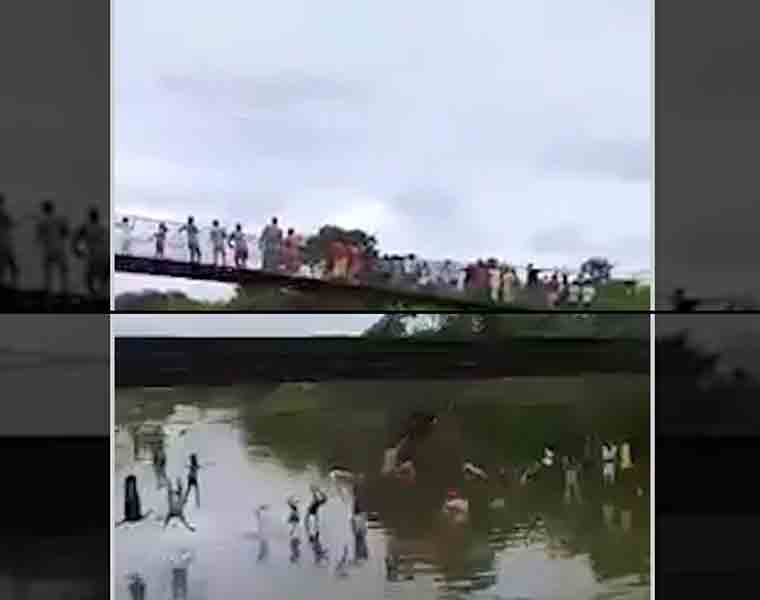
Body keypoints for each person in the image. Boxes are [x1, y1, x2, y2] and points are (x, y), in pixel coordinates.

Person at [35, 200, 70, 295]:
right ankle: (65, 290)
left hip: (48, 250)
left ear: (44, 209)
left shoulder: (41, 221)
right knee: (63, 270)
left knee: (48, 272)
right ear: (52, 208)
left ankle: (48, 291)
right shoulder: (60, 219)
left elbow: (38, 238)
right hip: (59, 249)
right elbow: (66, 233)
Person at [72, 207, 108, 297]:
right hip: (104, 255)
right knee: (101, 278)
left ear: (90, 217)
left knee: (89, 278)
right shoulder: (102, 228)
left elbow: (76, 238)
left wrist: (77, 251)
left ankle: (95, 295)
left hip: (94, 256)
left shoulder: (86, 227)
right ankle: (99, 294)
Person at [0, 193, 19, 289]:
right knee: (13, 267)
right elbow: (11, 223)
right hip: (5, 243)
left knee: (3, 266)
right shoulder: (4, 213)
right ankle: (13, 286)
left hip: (3, 243)